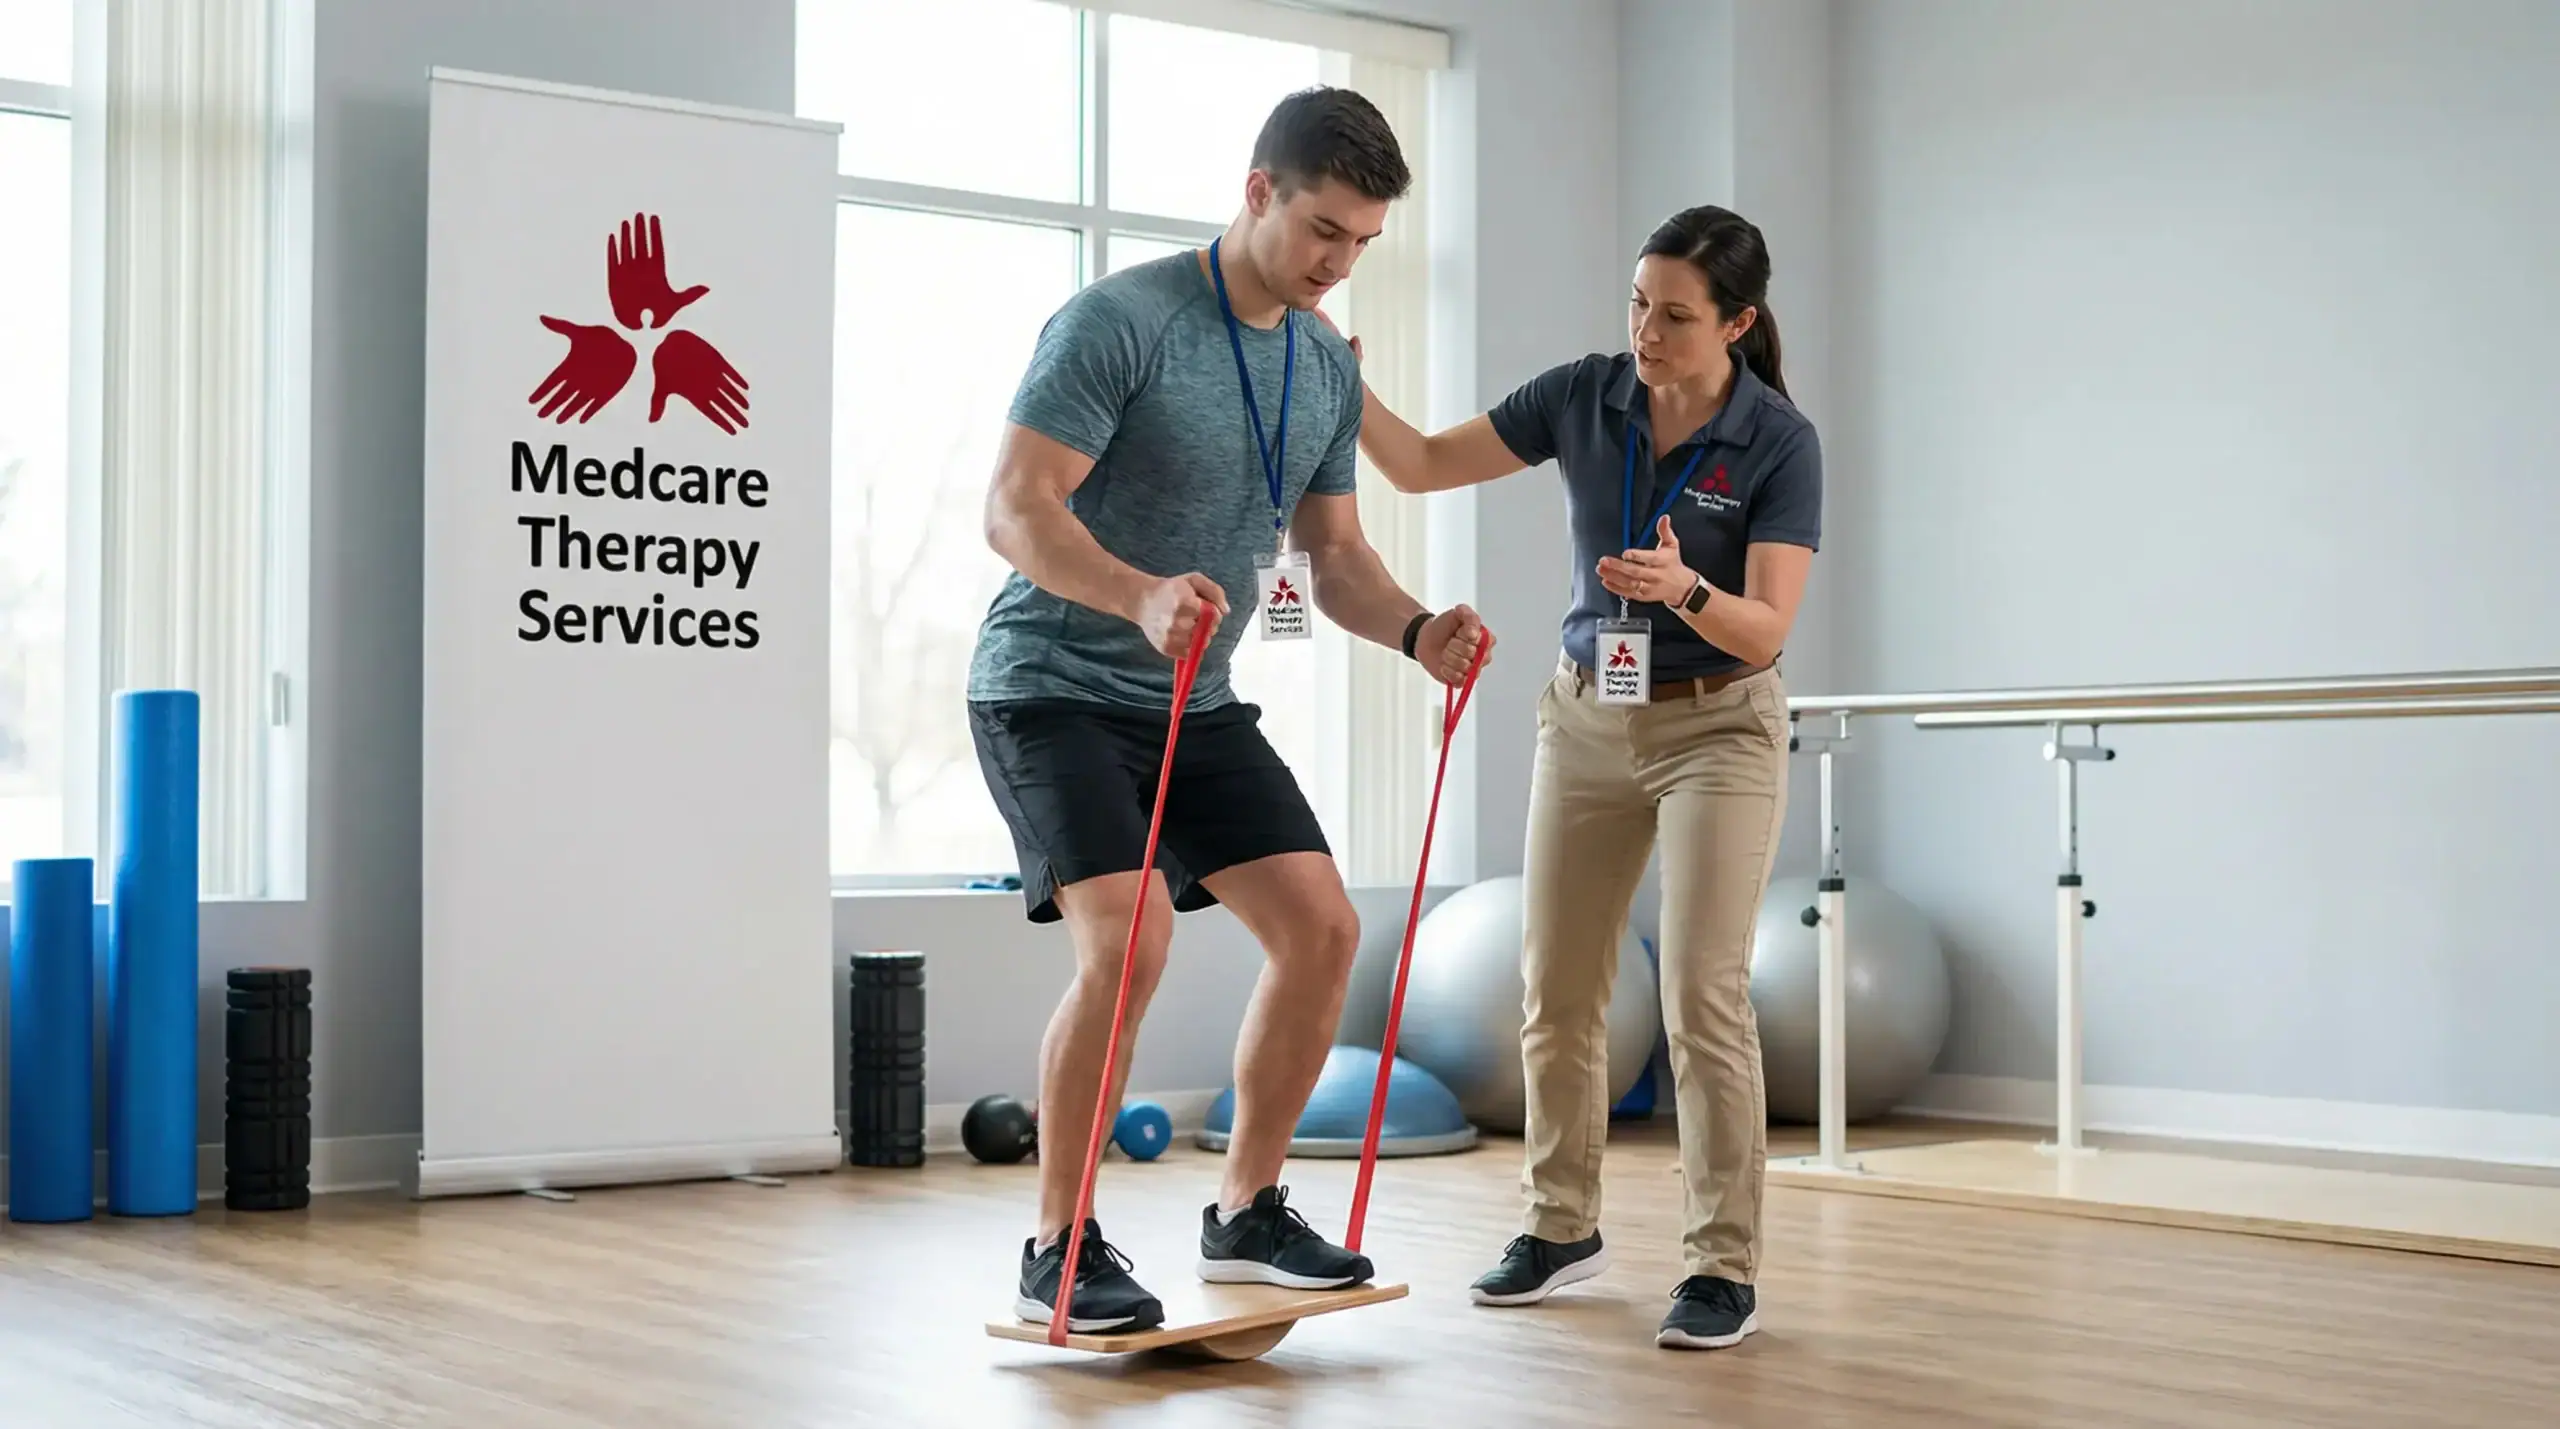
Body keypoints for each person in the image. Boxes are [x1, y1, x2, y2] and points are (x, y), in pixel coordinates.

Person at [967, 86, 1494, 1335]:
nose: (1338, 263)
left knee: (1318, 928)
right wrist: (1136, 593)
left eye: (1363, 242)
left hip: (1192, 701)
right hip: (1053, 686)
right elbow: (1015, 505)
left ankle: (1247, 1214)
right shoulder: (1118, 322)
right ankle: (1059, 1239)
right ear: (1258, 190)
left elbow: (1332, 558)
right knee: (1131, 938)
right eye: (1322, 229)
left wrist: (1419, 629)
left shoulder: (1318, 364)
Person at [1344, 205, 1819, 1351]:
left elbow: (1764, 630)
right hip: (1587, 718)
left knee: (1703, 996)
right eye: (1637, 304)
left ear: (1738, 323)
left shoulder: (1776, 441)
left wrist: (1683, 592)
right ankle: (1559, 1226)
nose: (1645, 332)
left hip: (1718, 726)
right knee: (1556, 985)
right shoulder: (1582, 394)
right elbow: (1417, 467)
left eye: (1675, 315)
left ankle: (1720, 1267)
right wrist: (1341, 382)